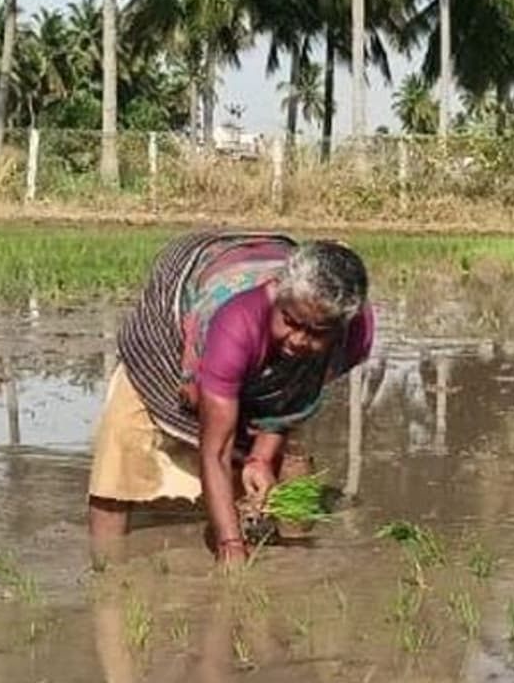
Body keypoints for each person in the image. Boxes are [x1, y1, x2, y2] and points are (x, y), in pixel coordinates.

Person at [88, 232, 373, 568]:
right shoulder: (238, 320)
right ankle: (105, 570)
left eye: (317, 333)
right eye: (291, 322)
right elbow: (217, 450)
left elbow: (293, 395)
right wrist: (231, 545)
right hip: (179, 316)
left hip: (244, 337)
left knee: (283, 469)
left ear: (342, 325)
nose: (298, 340)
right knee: (122, 449)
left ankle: (286, 549)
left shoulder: (356, 334)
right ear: (278, 294)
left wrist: (261, 457)